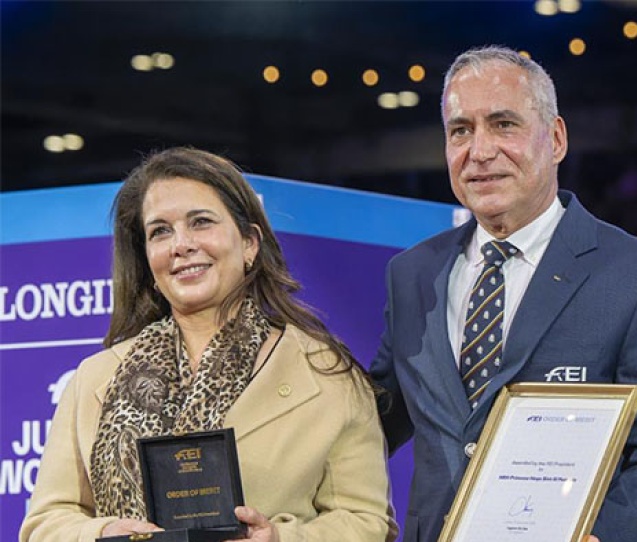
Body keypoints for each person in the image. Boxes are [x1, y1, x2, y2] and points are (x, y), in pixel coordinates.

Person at [370, 46, 637, 542]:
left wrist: (603, 534)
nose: (479, 151)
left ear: (557, 138)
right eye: (460, 130)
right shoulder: (412, 273)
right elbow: (373, 421)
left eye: (504, 125)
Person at [20, 147, 397, 542]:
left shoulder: (326, 374)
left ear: (250, 243)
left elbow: (365, 521)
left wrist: (282, 539)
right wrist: (102, 533)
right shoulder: (94, 378)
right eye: (160, 231)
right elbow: (46, 522)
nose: (180, 245)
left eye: (200, 222)